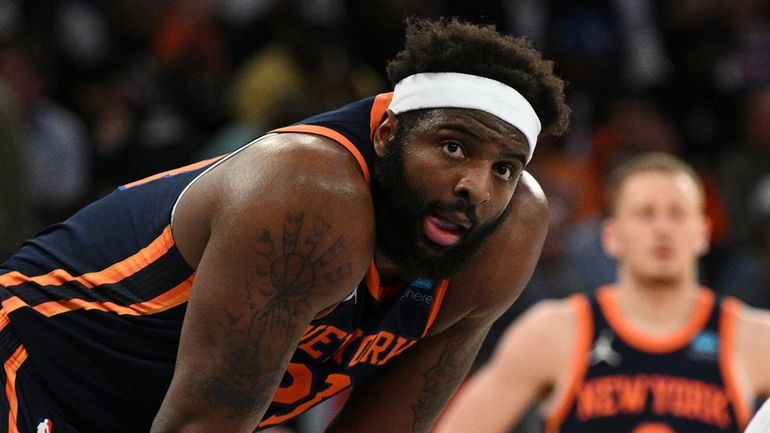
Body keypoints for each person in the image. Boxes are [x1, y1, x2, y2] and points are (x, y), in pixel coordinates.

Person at [0, 17, 570, 433]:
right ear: (387, 135)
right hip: (40, 361)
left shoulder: (509, 231)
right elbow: (203, 425)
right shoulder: (310, 194)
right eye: (452, 147)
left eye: (503, 167)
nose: (476, 185)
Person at [434, 152, 770, 433]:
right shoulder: (553, 332)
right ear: (611, 235)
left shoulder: (756, 337)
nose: (662, 228)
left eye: (677, 214)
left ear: (703, 233)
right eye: (645, 214)